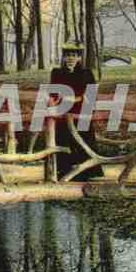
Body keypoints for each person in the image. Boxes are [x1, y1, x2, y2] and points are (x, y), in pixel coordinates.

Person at [49, 41, 104, 181]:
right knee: (63, 139)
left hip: (81, 110)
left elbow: (91, 94)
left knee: (83, 139)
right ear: (63, 58)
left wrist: (74, 99)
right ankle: (63, 171)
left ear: (79, 58)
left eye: (74, 55)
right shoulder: (57, 73)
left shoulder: (86, 73)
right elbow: (53, 92)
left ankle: (87, 171)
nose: (71, 58)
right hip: (63, 111)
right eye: (68, 55)